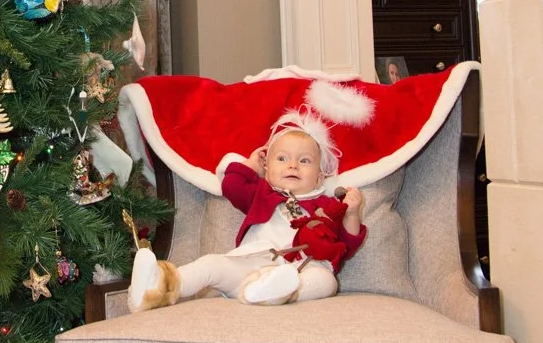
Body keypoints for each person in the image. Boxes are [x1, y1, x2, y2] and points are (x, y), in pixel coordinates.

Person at [127, 111, 366, 311]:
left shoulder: (326, 205)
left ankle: (276, 292)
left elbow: (345, 245)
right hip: (249, 267)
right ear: (267, 168)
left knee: (326, 281)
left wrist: (352, 214)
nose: (293, 165)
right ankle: (154, 288)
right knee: (211, 264)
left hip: (301, 270)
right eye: (282, 159)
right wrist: (251, 166)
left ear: (320, 177)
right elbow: (232, 186)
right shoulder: (261, 193)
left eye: (304, 161)